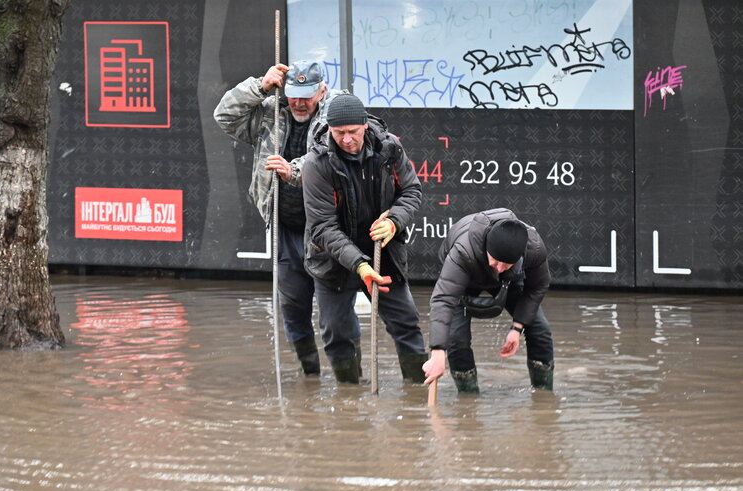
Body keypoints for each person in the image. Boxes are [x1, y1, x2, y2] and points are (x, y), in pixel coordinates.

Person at [214, 60, 341, 375]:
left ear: (322, 91)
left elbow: (329, 160)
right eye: (294, 94)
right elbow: (224, 116)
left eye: (307, 96)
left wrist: (293, 170)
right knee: (294, 309)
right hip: (283, 228)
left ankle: (347, 380)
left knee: (335, 316)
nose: (299, 103)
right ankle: (309, 376)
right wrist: (258, 87)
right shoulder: (270, 111)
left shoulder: (336, 118)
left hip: (327, 231)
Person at [301, 93, 428, 384]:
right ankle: (349, 397)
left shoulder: (389, 148)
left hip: (384, 253)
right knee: (337, 332)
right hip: (333, 261)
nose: (346, 140)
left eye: (353, 132)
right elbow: (322, 226)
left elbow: (411, 191)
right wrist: (359, 265)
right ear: (330, 129)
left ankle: (418, 390)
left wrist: (395, 220)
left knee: (406, 323)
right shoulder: (316, 163)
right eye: (339, 133)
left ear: (365, 127)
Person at [422, 208, 555, 393]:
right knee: (456, 340)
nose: (500, 268)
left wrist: (517, 327)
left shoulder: (534, 248)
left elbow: (538, 287)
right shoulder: (463, 251)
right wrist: (437, 352)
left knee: (539, 329)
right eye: (496, 261)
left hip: (509, 280)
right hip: (466, 277)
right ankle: (468, 399)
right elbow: (444, 299)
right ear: (486, 249)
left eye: (506, 263)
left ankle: (543, 394)